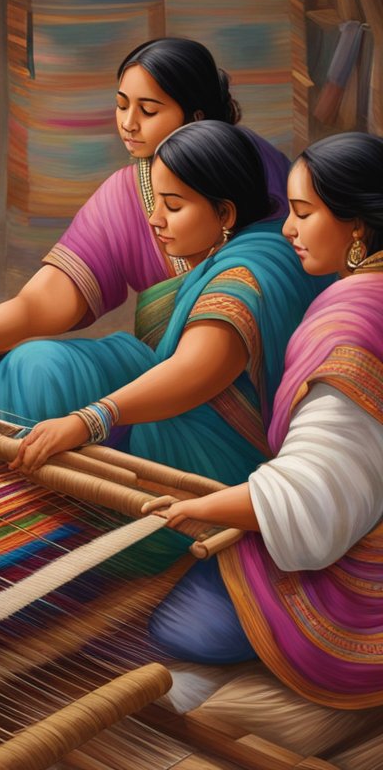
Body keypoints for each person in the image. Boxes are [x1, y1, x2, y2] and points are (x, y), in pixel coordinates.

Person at [0, 38, 290, 396]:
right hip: (161, 374)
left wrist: (96, 418)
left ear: (196, 115)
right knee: (34, 369)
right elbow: (46, 299)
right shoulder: (127, 192)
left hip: (256, 388)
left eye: (148, 110)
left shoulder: (256, 173)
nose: (128, 123)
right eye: (122, 105)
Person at [146, 132, 383, 709]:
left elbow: (319, 496)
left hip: (359, 575)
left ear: (356, 226)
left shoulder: (353, 317)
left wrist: (202, 508)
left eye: (304, 213)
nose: (288, 230)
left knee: (178, 626)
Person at [0, 121, 327, 484]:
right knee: (37, 368)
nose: (154, 219)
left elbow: (196, 369)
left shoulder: (246, 273)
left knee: (118, 432)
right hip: (177, 396)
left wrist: (88, 420)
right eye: (156, 201)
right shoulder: (238, 250)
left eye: (173, 205)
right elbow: (47, 298)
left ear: (225, 215)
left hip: (216, 450)